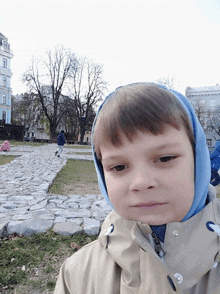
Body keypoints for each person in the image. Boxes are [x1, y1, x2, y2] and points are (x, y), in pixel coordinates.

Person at [54, 83, 220, 294]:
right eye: (119, 166)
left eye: (165, 158)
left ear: (198, 161)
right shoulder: (76, 274)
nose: (141, 182)